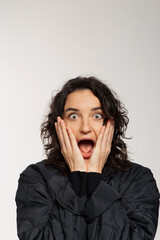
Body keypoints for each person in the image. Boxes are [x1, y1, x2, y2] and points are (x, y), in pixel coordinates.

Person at [15, 76, 159, 240]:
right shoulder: (37, 178)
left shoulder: (138, 179)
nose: (85, 128)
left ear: (111, 124)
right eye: (74, 116)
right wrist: (78, 180)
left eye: (97, 116)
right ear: (58, 125)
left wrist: (93, 181)